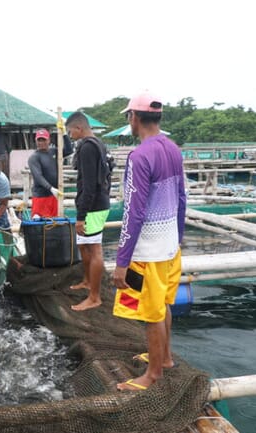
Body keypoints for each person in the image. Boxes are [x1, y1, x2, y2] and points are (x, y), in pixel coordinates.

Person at [112, 92, 186, 391]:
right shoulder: (173, 148)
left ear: (134, 117)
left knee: (151, 313)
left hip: (149, 250)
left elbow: (134, 211)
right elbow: (182, 198)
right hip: (170, 246)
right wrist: (178, 239)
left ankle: (152, 374)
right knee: (164, 304)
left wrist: (121, 261)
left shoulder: (140, 155)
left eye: (128, 117)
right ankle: (164, 357)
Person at [66, 112, 111, 311]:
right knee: (84, 245)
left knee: (94, 249)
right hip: (98, 202)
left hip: (93, 206)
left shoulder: (86, 148)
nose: (70, 135)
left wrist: (81, 216)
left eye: (70, 131)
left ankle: (95, 297)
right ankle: (87, 281)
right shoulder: (98, 144)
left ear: (79, 128)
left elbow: (90, 184)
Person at [27, 129, 73, 218]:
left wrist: (64, 135)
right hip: (41, 196)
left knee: (54, 221)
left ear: (49, 140)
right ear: (36, 141)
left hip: (54, 196)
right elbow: (38, 176)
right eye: (39, 140)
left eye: (43, 140)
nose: (41, 143)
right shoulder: (34, 157)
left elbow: (69, 150)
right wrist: (50, 188)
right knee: (39, 221)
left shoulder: (54, 152)